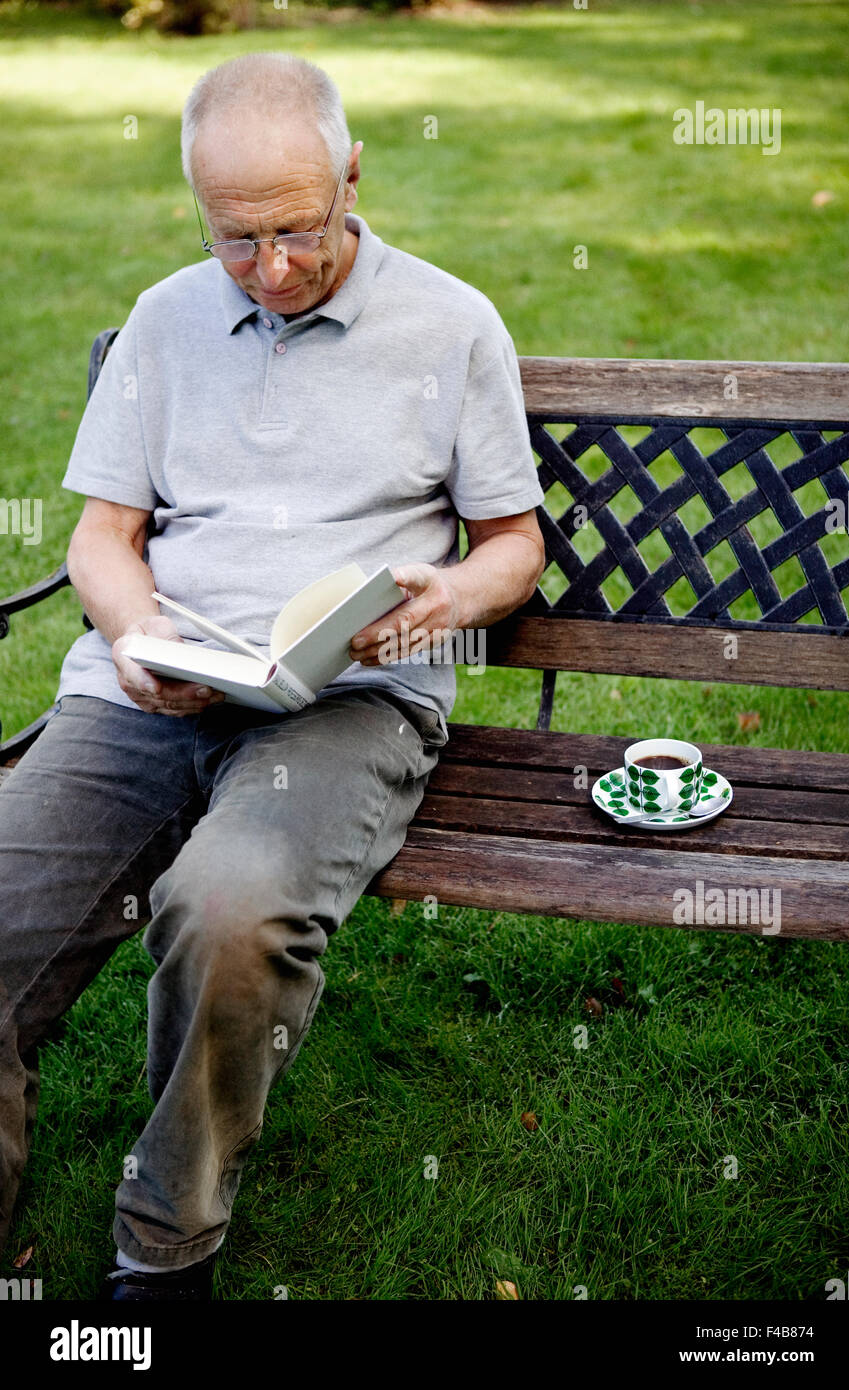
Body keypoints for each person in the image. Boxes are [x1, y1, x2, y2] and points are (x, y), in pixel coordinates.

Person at [0, 51, 546, 1301]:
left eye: (299, 229)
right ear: (198, 205)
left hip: (345, 699)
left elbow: (515, 546)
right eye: (236, 240)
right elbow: (101, 535)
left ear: (354, 174)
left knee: (231, 907)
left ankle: (164, 1241)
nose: (275, 269)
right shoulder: (165, 318)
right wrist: (135, 635)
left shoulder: (452, 326)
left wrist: (451, 597)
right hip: (154, 688)